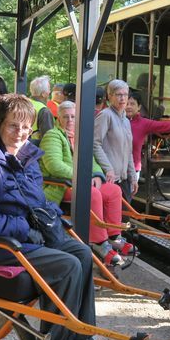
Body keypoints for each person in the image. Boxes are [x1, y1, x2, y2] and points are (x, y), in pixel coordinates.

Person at [0, 94, 119, 340]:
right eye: (12, 126)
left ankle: (80, 336)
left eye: (26, 128)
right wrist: (25, 228)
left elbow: (38, 202)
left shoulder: (25, 157)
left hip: (25, 235)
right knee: (67, 266)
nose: (20, 134)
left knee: (82, 253)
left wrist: (52, 221)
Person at [40, 101, 135, 268]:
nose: (70, 120)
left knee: (113, 190)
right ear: (58, 118)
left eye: (73, 116)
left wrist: (97, 175)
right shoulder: (53, 135)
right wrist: (83, 178)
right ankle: (99, 242)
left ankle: (114, 236)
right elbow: (53, 165)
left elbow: (93, 162)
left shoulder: (80, 137)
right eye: (65, 116)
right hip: (61, 186)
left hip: (81, 181)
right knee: (92, 193)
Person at [93, 80, 138, 202]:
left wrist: (133, 177)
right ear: (110, 96)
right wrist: (108, 168)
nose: (123, 98)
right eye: (118, 94)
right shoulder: (105, 115)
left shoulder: (126, 120)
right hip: (109, 179)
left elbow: (128, 151)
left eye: (125, 94)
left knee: (125, 219)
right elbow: (94, 144)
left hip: (123, 180)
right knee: (114, 220)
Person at [125, 91, 170, 175]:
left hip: (133, 170)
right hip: (115, 169)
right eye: (126, 103)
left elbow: (167, 126)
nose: (128, 107)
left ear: (139, 107)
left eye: (132, 104)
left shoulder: (144, 123)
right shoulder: (116, 120)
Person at [28, 75, 55, 141]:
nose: (49, 92)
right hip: (37, 148)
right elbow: (49, 139)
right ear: (43, 94)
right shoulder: (44, 111)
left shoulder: (24, 103)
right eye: (49, 89)